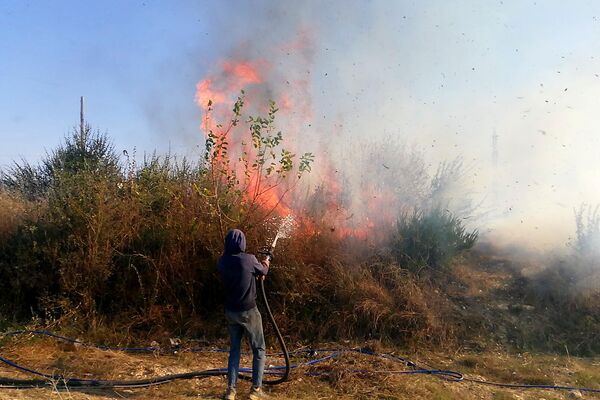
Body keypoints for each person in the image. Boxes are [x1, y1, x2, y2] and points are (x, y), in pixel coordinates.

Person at [218, 229, 270, 400]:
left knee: (234, 350)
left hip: (231, 312)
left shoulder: (222, 261)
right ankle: (255, 390)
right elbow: (262, 271)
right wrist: (266, 262)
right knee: (259, 349)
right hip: (248, 312)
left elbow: (243, 274)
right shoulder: (249, 259)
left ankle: (231, 391)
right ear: (243, 243)